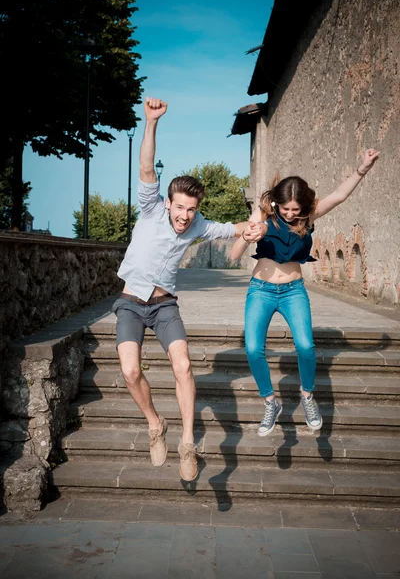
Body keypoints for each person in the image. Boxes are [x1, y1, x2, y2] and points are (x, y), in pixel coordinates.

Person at [112, 97, 264, 481]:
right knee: (130, 372)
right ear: (168, 203)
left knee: (183, 366)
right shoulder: (150, 208)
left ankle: (187, 442)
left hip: (164, 307)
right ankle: (154, 424)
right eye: (179, 208)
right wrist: (151, 123)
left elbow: (230, 229)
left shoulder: (197, 225)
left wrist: (253, 227)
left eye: (191, 210)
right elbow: (147, 166)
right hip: (131, 302)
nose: (184, 216)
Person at [230, 149, 380, 437]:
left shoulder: (308, 216)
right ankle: (270, 403)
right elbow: (237, 253)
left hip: (293, 291)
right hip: (260, 290)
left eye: (295, 210)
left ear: (304, 206)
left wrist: (362, 168)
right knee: (252, 349)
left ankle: (307, 397)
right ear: (277, 202)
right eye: (285, 208)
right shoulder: (263, 213)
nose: (289, 214)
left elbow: (338, 195)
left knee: (306, 346)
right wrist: (248, 236)